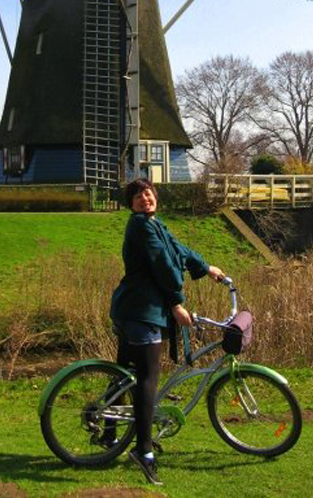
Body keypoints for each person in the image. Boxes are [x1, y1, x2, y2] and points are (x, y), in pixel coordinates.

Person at [109, 178, 226, 486]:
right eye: (137, 196)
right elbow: (162, 264)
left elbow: (176, 249)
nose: (144, 199)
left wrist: (206, 267)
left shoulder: (153, 223)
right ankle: (143, 451)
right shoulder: (141, 226)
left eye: (148, 193)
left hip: (133, 308)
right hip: (141, 312)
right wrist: (176, 303)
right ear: (130, 204)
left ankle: (108, 432)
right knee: (148, 379)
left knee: (125, 375)